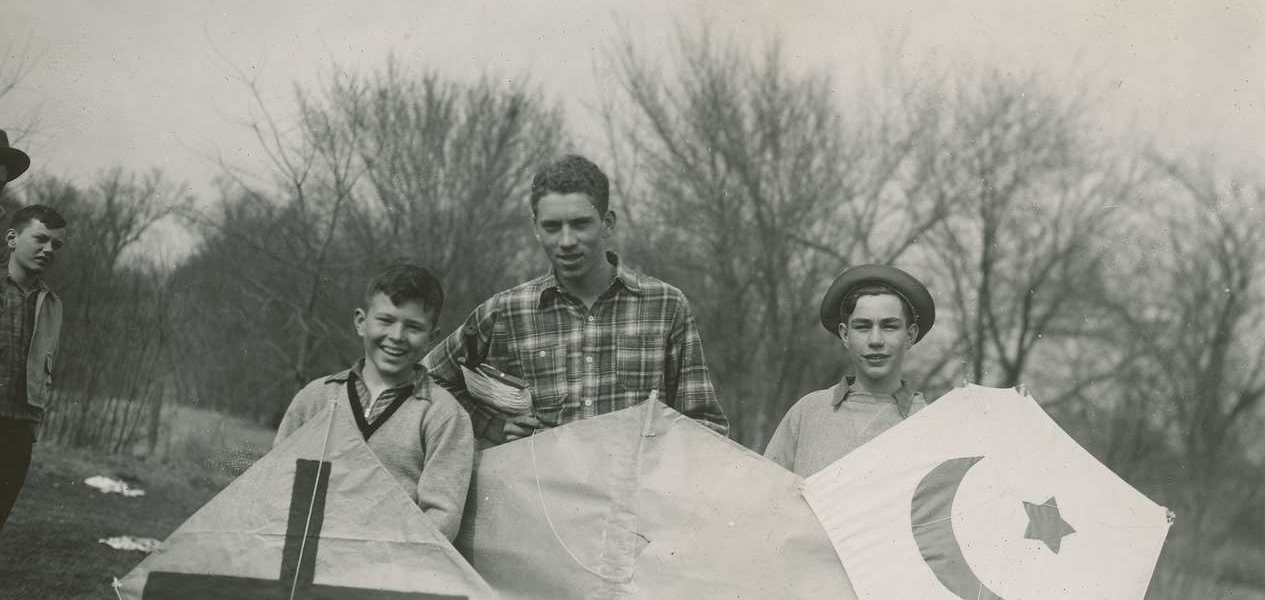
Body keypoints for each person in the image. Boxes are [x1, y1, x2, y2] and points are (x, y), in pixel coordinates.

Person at [424, 154, 728, 445]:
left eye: (580, 224)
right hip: (542, 494)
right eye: (552, 227)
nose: (567, 241)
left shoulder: (665, 305)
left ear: (607, 223)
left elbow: (703, 423)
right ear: (535, 228)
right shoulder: (506, 312)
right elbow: (428, 378)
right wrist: (491, 425)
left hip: (638, 493)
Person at [275, 262, 473, 541]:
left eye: (414, 327)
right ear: (360, 322)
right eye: (385, 320)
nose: (396, 336)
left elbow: (441, 517)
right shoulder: (315, 397)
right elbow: (274, 484)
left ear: (432, 338)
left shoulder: (444, 415)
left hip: (386, 573)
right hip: (304, 563)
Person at [764, 264, 934, 478]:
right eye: (862, 327)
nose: (875, 341)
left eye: (889, 326)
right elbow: (766, 496)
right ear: (845, 335)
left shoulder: (930, 421)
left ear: (910, 336)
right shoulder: (808, 413)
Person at [0, 205, 67, 531]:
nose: (48, 250)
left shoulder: (52, 304)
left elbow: (44, 372)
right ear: (12, 238)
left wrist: (32, 427)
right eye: (41, 239)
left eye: (56, 245)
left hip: (17, 433)